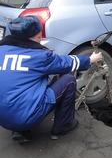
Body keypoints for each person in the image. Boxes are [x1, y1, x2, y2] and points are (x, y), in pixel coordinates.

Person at [0, 15, 103, 143]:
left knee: (17, 86)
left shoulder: (1, 50)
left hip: (2, 119)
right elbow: (66, 63)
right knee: (68, 80)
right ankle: (63, 125)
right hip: (25, 117)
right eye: (39, 35)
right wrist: (90, 59)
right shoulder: (40, 56)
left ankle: (20, 131)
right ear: (36, 36)